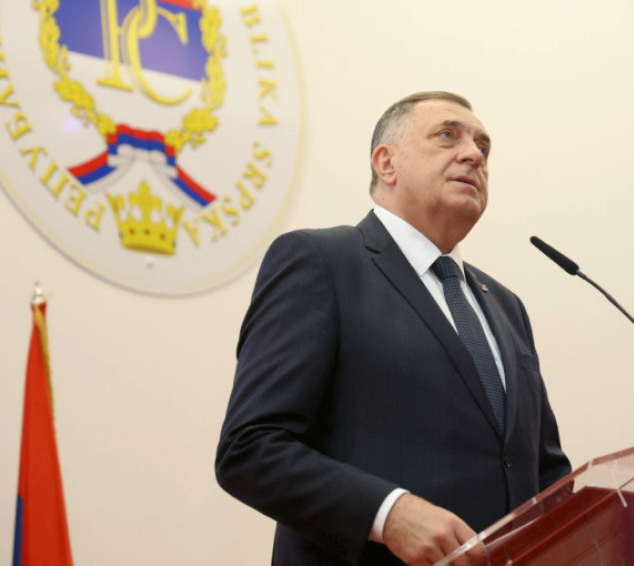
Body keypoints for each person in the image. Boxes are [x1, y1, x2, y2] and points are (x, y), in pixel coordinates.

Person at [216, 91, 571, 566]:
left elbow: (545, 473)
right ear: (386, 163)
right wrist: (387, 513)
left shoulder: (507, 307)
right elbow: (250, 448)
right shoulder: (323, 263)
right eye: (448, 136)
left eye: (483, 147)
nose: (474, 154)